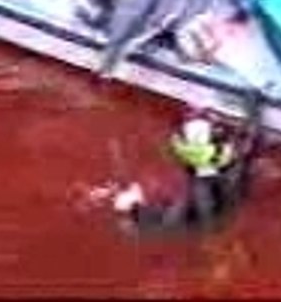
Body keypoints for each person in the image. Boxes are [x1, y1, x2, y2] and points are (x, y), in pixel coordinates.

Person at [112, 91, 265, 234]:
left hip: (208, 197)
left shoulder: (159, 212)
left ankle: (246, 119)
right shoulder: (172, 214)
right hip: (215, 196)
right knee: (241, 159)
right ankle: (253, 110)